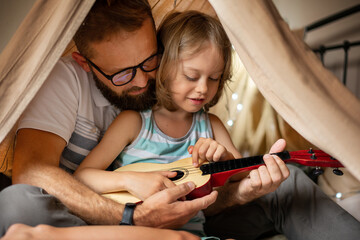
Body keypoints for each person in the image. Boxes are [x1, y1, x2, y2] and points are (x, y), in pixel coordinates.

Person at [1, 0, 359, 239]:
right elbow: (33, 173)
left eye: (150, 61)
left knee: (290, 184)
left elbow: (225, 185)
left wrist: (240, 181)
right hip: (107, 218)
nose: (143, 81)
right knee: (14, 203)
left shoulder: (202, 118)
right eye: (123, 74)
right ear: (85, 63)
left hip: (196, 213)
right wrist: (132, 216)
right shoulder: (83, 92)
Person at [73, 10, 243, 238]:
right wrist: (130, 180)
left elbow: (243, 173)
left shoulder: (211, 125)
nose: (203, 88)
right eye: (192, 76)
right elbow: (82, 176)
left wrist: (225, 160)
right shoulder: (133, 122)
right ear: (163, 65)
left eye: (214, 78)